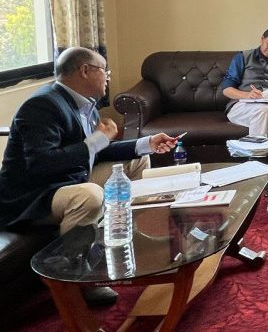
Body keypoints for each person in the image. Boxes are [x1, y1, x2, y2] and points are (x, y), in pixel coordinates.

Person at [0, 47, 178, 306]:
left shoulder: (86, 104)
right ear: (85, 70)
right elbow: (41, 164)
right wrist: (97, 139)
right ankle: (79, 276)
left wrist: (146, 143)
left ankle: (138, 237)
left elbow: (97, 150)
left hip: (69, 180)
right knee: (89, 196)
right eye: (105, 70)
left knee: (137, 159)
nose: (108, 76)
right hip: (34, 194)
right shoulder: (42, 105)